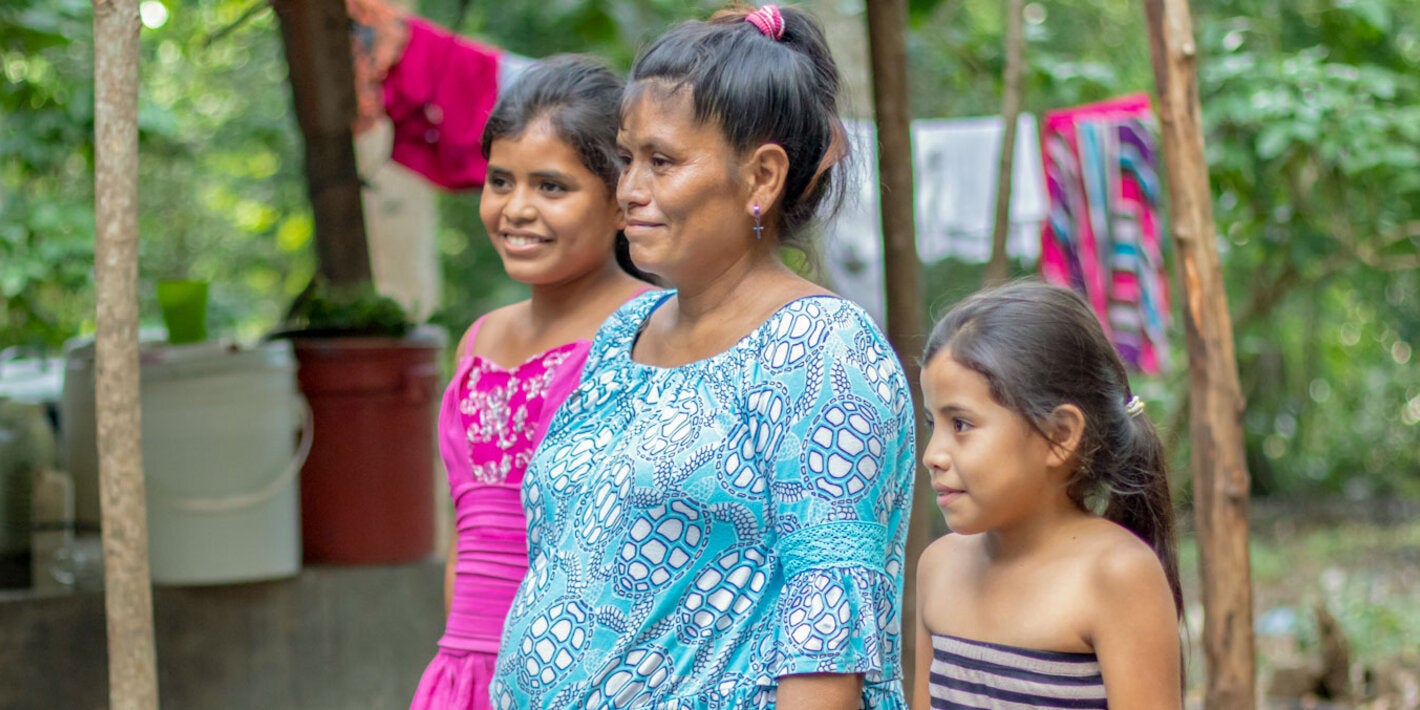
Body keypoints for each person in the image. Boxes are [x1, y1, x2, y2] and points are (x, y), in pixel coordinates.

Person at [490, 4, 916, 708]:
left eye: (662, 162)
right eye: (627, 159)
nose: (629, 190)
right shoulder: (621, 335)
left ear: (762, 178)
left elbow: (828, 643)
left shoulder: (823, 352)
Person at [410, 54, 655, 710]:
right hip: (462, 671)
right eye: (500, 181)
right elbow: (465, 537)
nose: (516, 209)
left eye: (551, 186)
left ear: (618, 200)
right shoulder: (479, 339)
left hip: (585, 676)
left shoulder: (647, 332)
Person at [912, 281, 1183, 709]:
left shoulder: (1118, 576)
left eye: (960, 424)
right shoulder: (939, 567)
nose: (932, 455)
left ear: (1059, 436)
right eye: (933, 424)